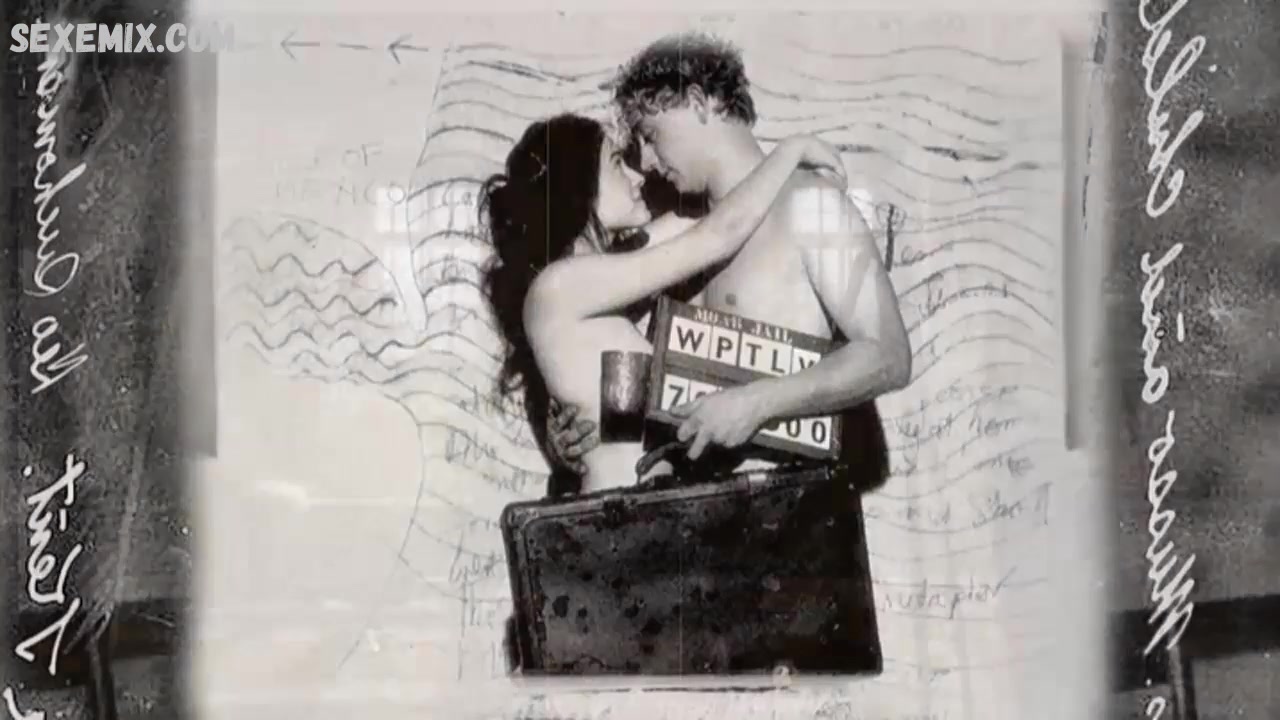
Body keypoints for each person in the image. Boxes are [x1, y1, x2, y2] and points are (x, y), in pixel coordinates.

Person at [548, 32, 912, 487]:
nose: (647, 161)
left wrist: (756, 403)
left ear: (698, 102)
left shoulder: (812, 206)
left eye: (651, 135)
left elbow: (889, 355)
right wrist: (577, 431)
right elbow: (599, 349)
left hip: (787, 508)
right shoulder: (674, 234)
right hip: (683, 513)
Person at [479, 113, 848, 494]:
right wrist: (791, 152)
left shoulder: (600, 278)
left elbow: (709, 215)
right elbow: (717, 235)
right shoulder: (559, 286)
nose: (637, 176)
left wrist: (796, 191)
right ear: (578, 184)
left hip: (647, 504)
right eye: (617, 163)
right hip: (622, 512)